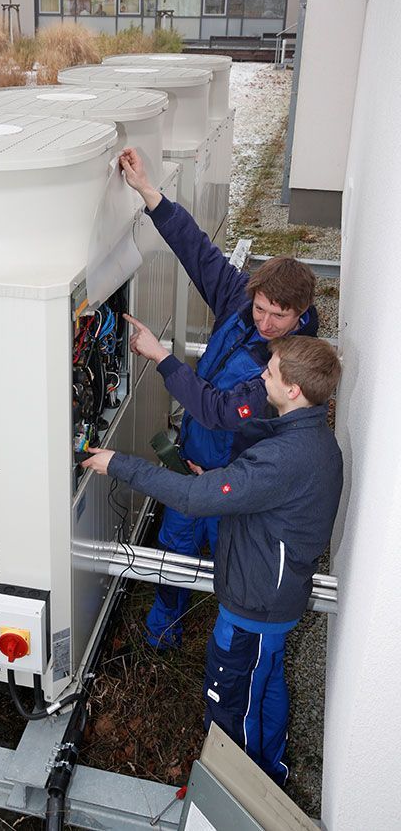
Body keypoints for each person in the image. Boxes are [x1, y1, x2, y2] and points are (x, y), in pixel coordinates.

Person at [83, 335, 343, 786]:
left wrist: (119, 464)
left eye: (270, 372)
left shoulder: (285, 457)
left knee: (231, 702)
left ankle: (235, 791)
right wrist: (228, 481)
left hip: (254, 605)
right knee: (266, 685)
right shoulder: (311, 440)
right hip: (273, 597)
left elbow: (193, 498)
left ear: (294, 390)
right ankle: (271, 772)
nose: (261, 376)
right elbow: (260, 491)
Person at [118, 147, 319, 650]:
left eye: (279, 315)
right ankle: (164, 631)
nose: (265, 322)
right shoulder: (238, 301)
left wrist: (160, 358)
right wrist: (148, 191)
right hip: (193, 458)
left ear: (301, 315)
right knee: (176, 544)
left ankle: (225, 627)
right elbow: (196, 249)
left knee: (222, 549)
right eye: (260, 308)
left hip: (231, 477)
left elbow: (219, 410)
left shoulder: (288, 365)